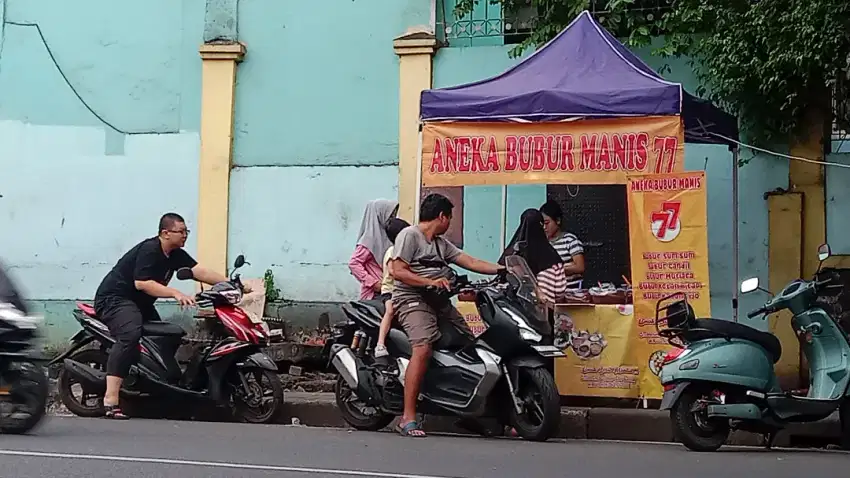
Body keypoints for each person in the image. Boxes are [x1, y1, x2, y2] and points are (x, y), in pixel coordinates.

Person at [94, 213, 248, 420]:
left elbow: (199, 271)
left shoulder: (175, 254)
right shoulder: (150, 250)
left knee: (168, 335)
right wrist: (175, 293)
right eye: (181, 231)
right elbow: (142, 283)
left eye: (187, 232)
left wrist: (229, 283)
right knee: (129, 335)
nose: (185, 236)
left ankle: (159, 384)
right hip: (115, 299)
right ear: (165, 233)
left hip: (140, 304)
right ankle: (110, 399)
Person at [390, 193, 504, 437]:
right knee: (423, 347)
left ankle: (466, 411)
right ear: (441, 216)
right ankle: (407, 417)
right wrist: (428, 281)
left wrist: (503, 269)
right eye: (449, 217)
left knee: (471, 342)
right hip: (411, 299)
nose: (450, 223)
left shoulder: (441, 244)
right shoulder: (410, 235)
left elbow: (469, 261)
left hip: (438, 301)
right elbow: (397, 271)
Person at [499, 209, 568, 303]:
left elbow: (501, 280)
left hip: (515, 310)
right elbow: (558, 293)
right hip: (545, 311)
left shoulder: (512, 253)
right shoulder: (551, 257)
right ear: (541, 226)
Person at [373, 217, 411, 358]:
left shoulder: (407, 251)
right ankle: (380, 344)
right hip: (390, 290)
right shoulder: (392, 251)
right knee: (390, 311)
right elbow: (394, 271)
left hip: (405, 290)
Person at [348, 199, 399, 300]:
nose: (392, 219)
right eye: (390, 215)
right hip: (374, 295)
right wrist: (373, 283)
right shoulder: (369, 239)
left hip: (387, 290)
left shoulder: (386, 236)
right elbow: (354, 264)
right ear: (380, 215)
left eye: (393, 215)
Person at [540, 200, 585, 288]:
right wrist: (567, 266)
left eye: (547, 223)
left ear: (558, 221)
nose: (544, 228)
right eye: (542, 224)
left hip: (570, 289)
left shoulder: (570, 240)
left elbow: (580, 267)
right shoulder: (543, 243)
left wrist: (553, 271)